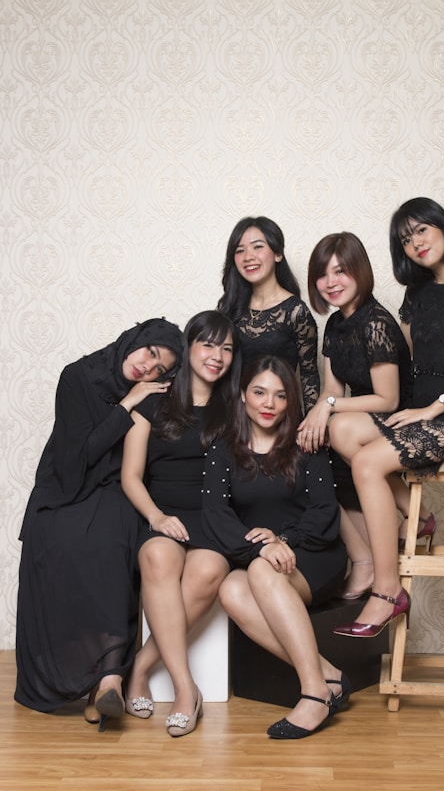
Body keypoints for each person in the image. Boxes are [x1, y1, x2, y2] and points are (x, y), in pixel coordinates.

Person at [330, 197, 444, 638]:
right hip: (423, 411)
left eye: (422, 231)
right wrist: (397, 409)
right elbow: (412, 363)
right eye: (406, 240)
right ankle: (419, 515)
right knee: (339, 428)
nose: (416, 244)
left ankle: (388, 592)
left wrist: (435, 407)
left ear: (443, 227)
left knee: (368, 463)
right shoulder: (415, 295)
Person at [14, 318, 184, 729]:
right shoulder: (78, 377)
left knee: (111, 543)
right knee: (59, 542)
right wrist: (127, 404)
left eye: (161, 369)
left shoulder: (153, 394)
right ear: (136, 340)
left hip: (113, 486)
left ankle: (109, 678)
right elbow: (79, 458)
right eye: (150, 353)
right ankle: (88, 681)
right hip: (67, 485)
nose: (148, 369)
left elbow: (133, 464)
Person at [202, 355, 349, 739]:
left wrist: (284, 540)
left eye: (280, 395)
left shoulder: (306, 442)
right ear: (242, 396)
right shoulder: (223, 450)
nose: (269, 403)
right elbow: (216, 514)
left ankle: (314, 694)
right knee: (230, 589)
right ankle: (328, 675)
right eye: (260, 392)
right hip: (265, 558)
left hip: (315, 554)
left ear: (290, 401)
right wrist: (261, 549)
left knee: (256, 572)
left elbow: (324, 511)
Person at [120, 311, 241, 737]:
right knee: (156, 555)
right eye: (209, 344)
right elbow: (131, 476)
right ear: (189, 348)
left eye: (227, 348)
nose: (217, 355)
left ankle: (140, 667)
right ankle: (186, 689)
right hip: (164, 513)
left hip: (214, 518)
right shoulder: (154, 401)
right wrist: (156, 517)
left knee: (209, 570)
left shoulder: (236, 406)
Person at [297, 231, 426, 599]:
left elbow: (388, 399)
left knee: (336, 429)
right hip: (359, 422)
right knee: (310, 450)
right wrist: (315, 417)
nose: (330, 283)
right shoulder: (334, 326)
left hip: (400, 418)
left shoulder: (376, 323)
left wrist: (329, 409)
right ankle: (363, 559)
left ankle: (417, 513)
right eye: (322, 274)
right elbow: (332, 391)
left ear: (360, 271)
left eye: (340, 271)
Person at [217, 215, 319, 413]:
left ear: (278, 254)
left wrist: (311, 424)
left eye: (257, 246)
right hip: (234, 414)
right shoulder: (229, 307)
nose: (248, 256)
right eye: (240, 250)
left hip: (276, 414)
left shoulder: (296, 311)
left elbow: (310, 374)